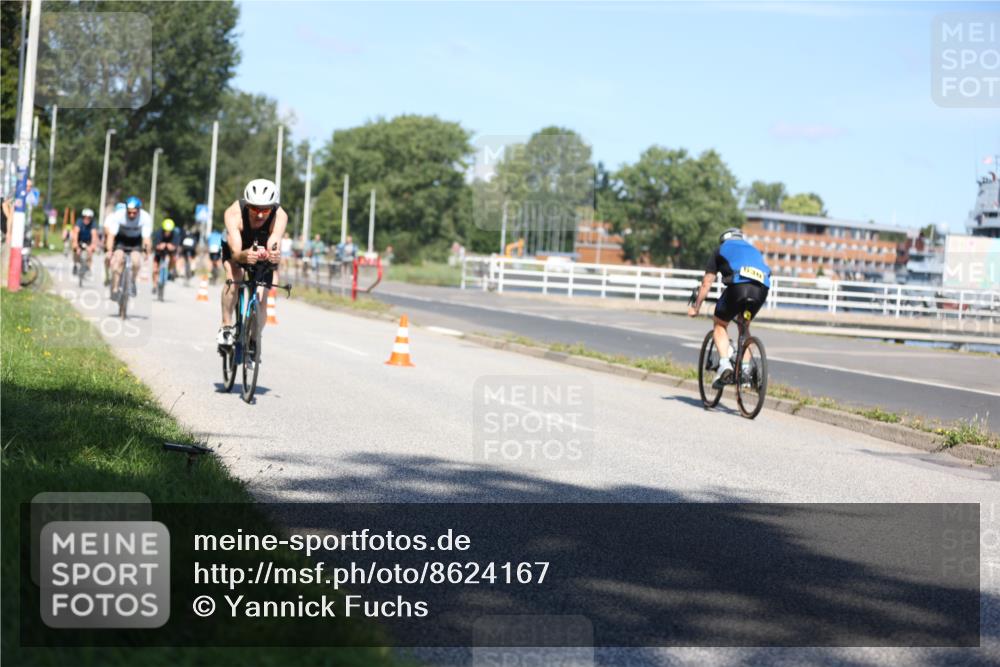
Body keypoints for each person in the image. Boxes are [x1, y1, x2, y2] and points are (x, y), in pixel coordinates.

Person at [688, 227, 771, 389]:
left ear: (724, 239)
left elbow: (706, 283)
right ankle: (746, 373)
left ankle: (725, 365)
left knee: (720, 323)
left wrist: (696, 307)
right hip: (761, 290)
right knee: (744, 325)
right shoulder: (754, 250)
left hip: (739, 288)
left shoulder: (720, 249)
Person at [217, 178, 288, 346]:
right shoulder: (234, 213)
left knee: (262, 295)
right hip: (237, 248)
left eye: (266, 209)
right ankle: (226, 325)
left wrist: (273, 253)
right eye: (256, 208)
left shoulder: (280, 215)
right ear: (248, 205)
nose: (261, 214)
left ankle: (254, 340)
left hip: (262, 249)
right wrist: (245, 255)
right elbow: (235, 252)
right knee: (235, 276)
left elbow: (274, 240)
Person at [105, 196, 152, 299]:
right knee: (118, 260)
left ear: (139, 210)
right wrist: (109, 250)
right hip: (121, 240)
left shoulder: (145, 217)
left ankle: (132, 281)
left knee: (135, 261)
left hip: (136, 241)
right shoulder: (119, 215)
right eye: (129, 212)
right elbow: (111, 236)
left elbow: (146, 239)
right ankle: (115, 288)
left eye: (134, 212)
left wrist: (147, 253)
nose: (131, 215)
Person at [151, 218, 180, 292]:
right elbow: (154, 244)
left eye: (169, 231)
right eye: (166, 231)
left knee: (174, 259)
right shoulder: (158, 233)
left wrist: (172, 246)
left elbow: (176, 245)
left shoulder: (175, 234)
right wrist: (159, 246)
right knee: (155, 269)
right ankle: (154, 285)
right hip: (159, 252)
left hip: (170, 251)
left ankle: (170, 270)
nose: (167, 233)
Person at [71, 208, 98, 277]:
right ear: (82, 217)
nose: (87, 219)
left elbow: (94, 235)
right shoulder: (79, 222)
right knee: (75, 249)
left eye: (89, 218)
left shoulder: (93, 224)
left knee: (91, 251)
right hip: (79, 240)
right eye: (85, 217)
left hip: (88, 241)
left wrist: (92, 246)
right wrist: (76, 246)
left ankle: (88, 267)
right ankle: (75, 264)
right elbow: (76, 233)